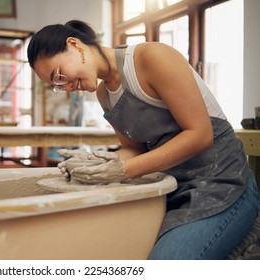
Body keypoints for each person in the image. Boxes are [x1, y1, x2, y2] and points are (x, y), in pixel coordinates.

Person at [27, 20, 260, 259]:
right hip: (173, 189)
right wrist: (92, 163)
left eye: (58, 75)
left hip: (224, 184)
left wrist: (122, 170)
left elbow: (200, 135)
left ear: (74, 45)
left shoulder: (151, 58)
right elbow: (134, 149)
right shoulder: (104, 95)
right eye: (56, 85)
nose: (64, 87)